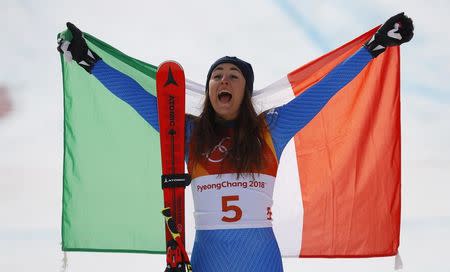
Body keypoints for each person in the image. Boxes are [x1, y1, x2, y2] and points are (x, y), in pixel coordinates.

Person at [58, 13, 413, 272]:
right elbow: (138, 98)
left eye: (232, 76)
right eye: (216, 76)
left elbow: (325, 89)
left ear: (245, 89)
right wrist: (89, 61)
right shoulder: (188, 134)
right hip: (208, 260)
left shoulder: (272, 129)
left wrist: (375, 47)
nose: (222, 81)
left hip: (262, 261)